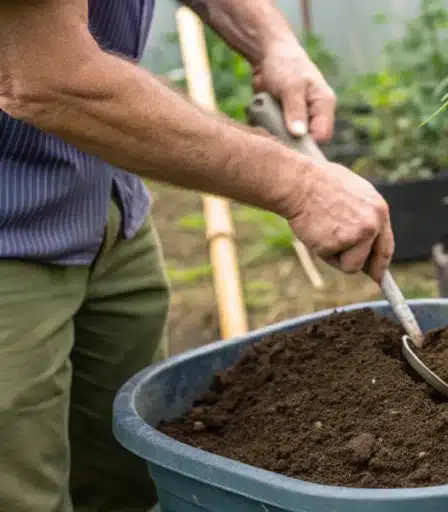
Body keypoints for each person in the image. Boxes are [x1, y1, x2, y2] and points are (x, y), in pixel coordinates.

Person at [0, 1, 395, 510]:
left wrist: (270, 41)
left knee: (129, 476)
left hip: (107, 202)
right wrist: (299, 186)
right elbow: (48, 77)